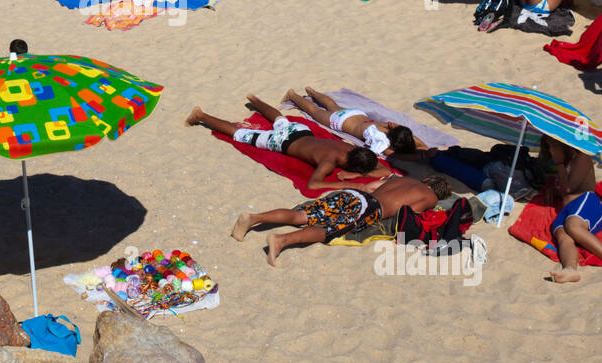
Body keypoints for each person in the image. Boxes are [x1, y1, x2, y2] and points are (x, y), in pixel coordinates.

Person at [233, 173, 451, 265]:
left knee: (302, 215)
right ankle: (282, 241)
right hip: (369, 208)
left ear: (427, 179)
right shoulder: (429, 197)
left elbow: (374, 186)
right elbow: (408, 213)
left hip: (355, 195)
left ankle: (254, 218)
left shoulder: (405, 178)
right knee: (328, 230)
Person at [187, 95, 388, 191]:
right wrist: (352, 185)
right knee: (241, 134)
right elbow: (313, 183)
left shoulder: (351, 148)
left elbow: (379, 169)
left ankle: (254, 99)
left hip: (301, 132)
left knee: (280, 120)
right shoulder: (328, 162)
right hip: (282, 142)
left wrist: (356, 172)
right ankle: (200, 115)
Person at [538, 136, 602, 282]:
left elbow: (569, 188)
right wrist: (554, 190)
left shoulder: (582, 157)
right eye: (549, 147)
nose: (551, 150)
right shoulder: (564, 163)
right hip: (568, 208)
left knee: (572, 226)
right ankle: (570, 269)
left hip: (586, 202)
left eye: (554, 146)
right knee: (562, 235)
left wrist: (560, 164)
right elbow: (563, 188)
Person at [282, 87, 425, 157]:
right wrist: (418, 151)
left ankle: (311, 91)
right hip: (341, 122)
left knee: (332, 105)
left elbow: (409, 135)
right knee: (314, 111)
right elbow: (389, 153)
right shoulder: (381, 139)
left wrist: (422, 146)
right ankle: (292, 95)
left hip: (356, 114)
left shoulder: (391, 126)